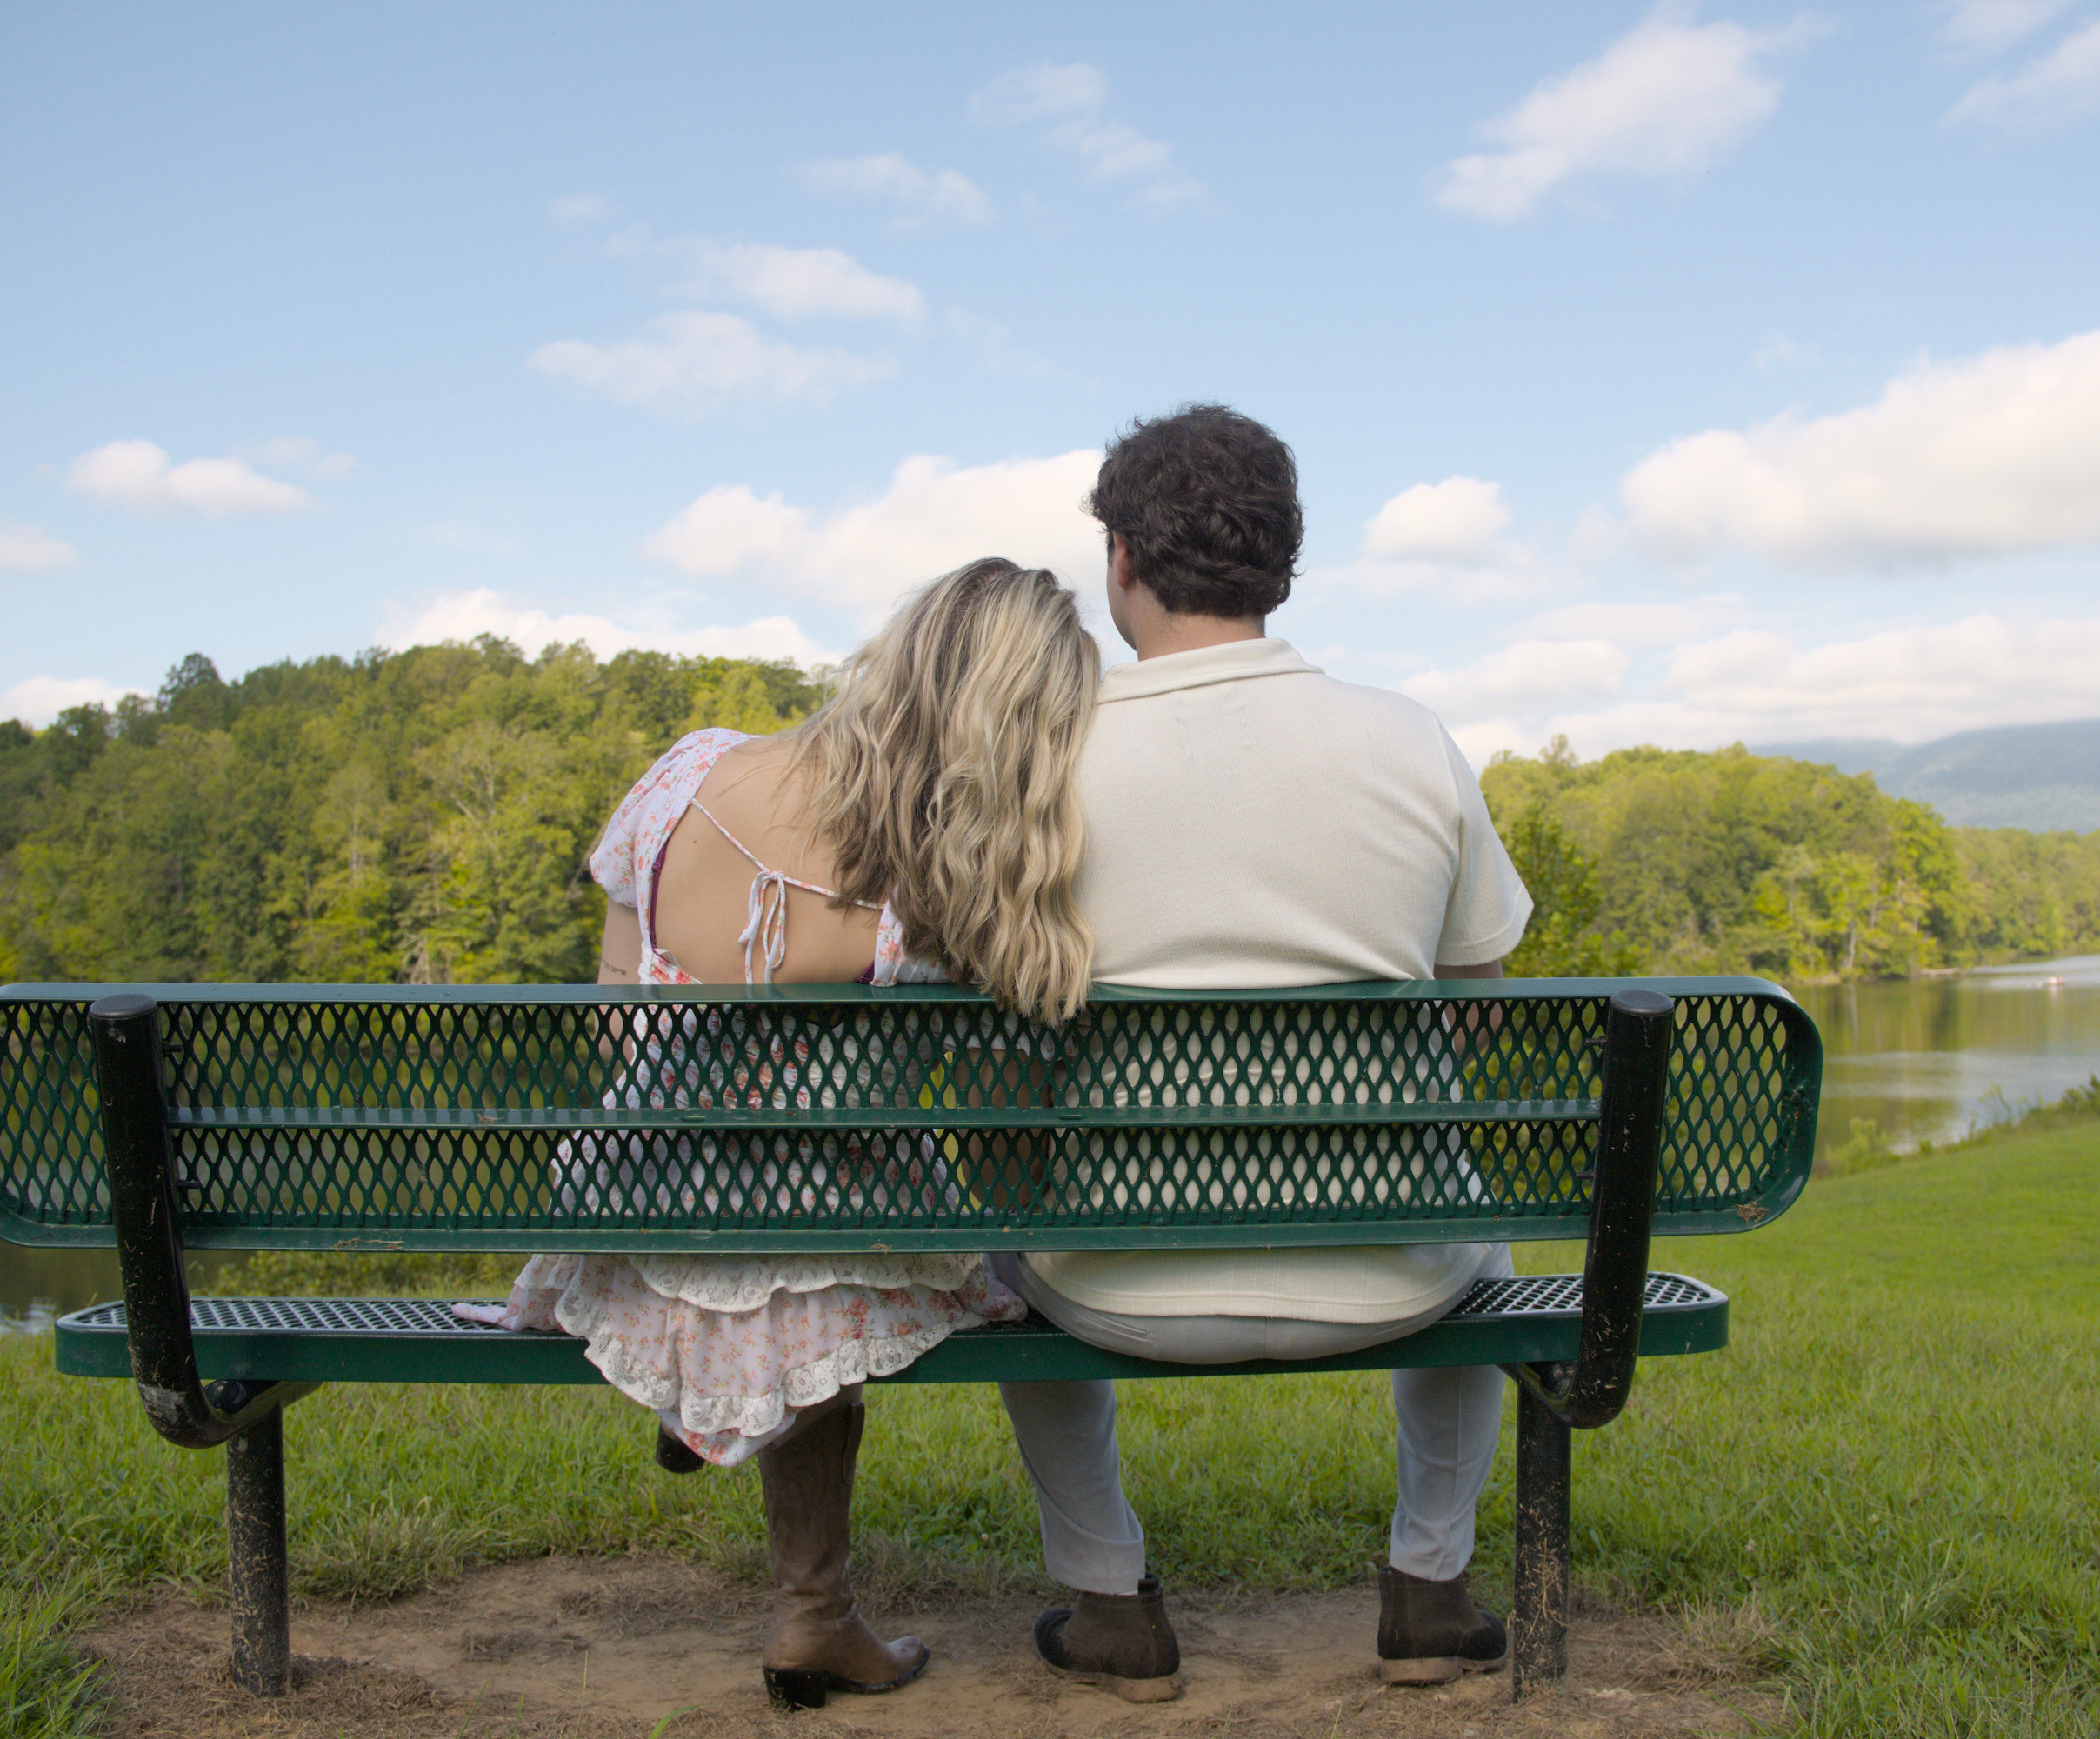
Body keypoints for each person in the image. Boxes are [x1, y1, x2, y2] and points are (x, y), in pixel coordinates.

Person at [470, 558, 1100, 1711]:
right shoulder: (960, 881)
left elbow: (618, 1027)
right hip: (829, 1223)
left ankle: (706, 1395)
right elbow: (1001, 1139)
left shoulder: (687, 774)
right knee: (832, 1268)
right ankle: (812, 1608)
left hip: (636, 1209)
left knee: (770, 1259)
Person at [990, 406, 1534, 1702]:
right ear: (1283, 564)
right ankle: (1430, 1591)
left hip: (1109, 1274)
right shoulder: (1410, 737)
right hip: (1392, 1269)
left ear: (1122, 557)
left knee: (1001, 1243)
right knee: (1487, 1237)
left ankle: (1111, 1599)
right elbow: (1478, 1010)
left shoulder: (1038, 760)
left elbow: (997, 1042)